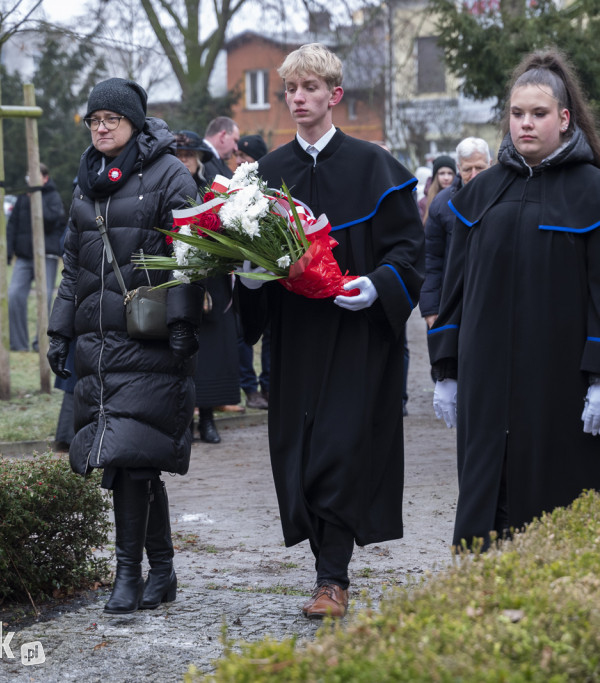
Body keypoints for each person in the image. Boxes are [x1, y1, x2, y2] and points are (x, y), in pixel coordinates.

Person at [237, 43, 424, 619]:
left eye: (310, 88)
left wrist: (378, 285)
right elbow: (250, 260)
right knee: (300, 455)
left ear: (334, 94)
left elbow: (409, 251)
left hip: (354, 337)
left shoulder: (375, 167)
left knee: (341, 450)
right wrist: (247, 276)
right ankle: (326, 570)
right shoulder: (265, 176)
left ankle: (331, 579)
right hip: (294, 338)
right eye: (291, 89)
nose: (298, 98)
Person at [429, 49, 600, 549]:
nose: (525, 123)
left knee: (564, 504)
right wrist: (446, 369)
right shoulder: (481, 193)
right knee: (491, 504)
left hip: (563, 382)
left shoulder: (599, 194)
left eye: (539, 113)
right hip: (488, 383)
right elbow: (456, 289)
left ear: (564, 119)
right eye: (517, 113)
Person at [46, 77, 203, 614]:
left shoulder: (169, 174)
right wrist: (60, 331)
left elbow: (191, 253)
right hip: (98, 343)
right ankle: (161, 571)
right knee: (128, 461)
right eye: (94, 120)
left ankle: (129, 575)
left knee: (132, 459)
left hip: (149, 340)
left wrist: (182, 322)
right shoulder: (86, 179)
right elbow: (73, 266)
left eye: (111, 119)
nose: (101, 128)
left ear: (134, 122)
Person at [175, 129, 242, 440]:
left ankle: (208, 419)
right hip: (177, 277)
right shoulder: (164, 187)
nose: (184, 160)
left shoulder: (211, 189)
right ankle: (184, 420)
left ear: (198, 158)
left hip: (212, 280)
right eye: (179, 155)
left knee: (211, 350)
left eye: (189, 155)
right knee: (180, 349)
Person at [420, 137, 491, 328]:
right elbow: (432, 259)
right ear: (459, 168)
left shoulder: (506, 198)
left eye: (480, 168)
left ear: (490, 164)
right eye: (468, 169)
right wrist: (431, 308)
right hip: (454, 300)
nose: (474, 175)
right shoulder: (442, 204)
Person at [6, 163, 66, 351]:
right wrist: (8, 251)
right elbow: (13, 224)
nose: (29, 179)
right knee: (14, 295)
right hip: (24, 256)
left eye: (34, 175)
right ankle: (18, 343)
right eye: (28, 175)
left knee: (44, 298)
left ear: (44, 178)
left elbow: (52, 221)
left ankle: (40, 342)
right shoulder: (22, 198)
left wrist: (36, 199)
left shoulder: (53, 197)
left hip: (46, 255)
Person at [234, 133, 272, 410]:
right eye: (236, 155)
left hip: (269, 270)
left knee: (271, 331)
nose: (238, 161)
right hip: (241, 271)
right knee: (242, 333)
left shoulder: (270, 187)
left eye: (244, 156)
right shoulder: (232, 186)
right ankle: (249, 387)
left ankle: (270, 384)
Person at [418, 155, 456, 223]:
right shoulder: (423, 203)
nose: (446, 178)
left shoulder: (460, 197)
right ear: (435, 176)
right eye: (442, 173)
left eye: (450, 173)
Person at [202, 116, 240, 181]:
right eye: (235, 141)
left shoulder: (215, 161)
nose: (236, 148)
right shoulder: (198, 157)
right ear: (222, 136)